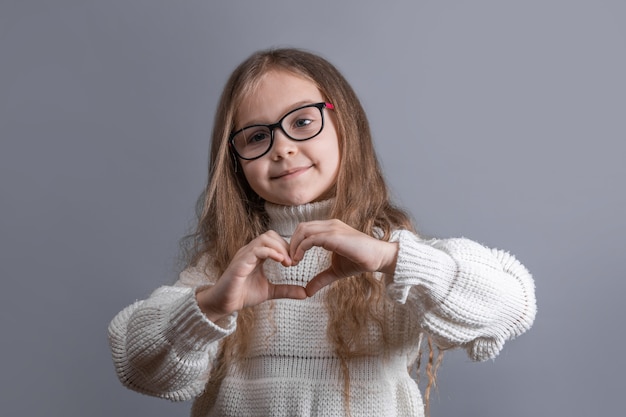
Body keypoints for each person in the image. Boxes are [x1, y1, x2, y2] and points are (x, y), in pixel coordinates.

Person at [108, 47, 536, 417]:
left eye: (301, 122)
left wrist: (390, 259)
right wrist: (211, 306)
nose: (282, 147)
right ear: (235, 160)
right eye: (257, 136)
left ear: (343, 124)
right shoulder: (226, 267)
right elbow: (137, 365)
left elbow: (514, 306)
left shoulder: (390, 252)